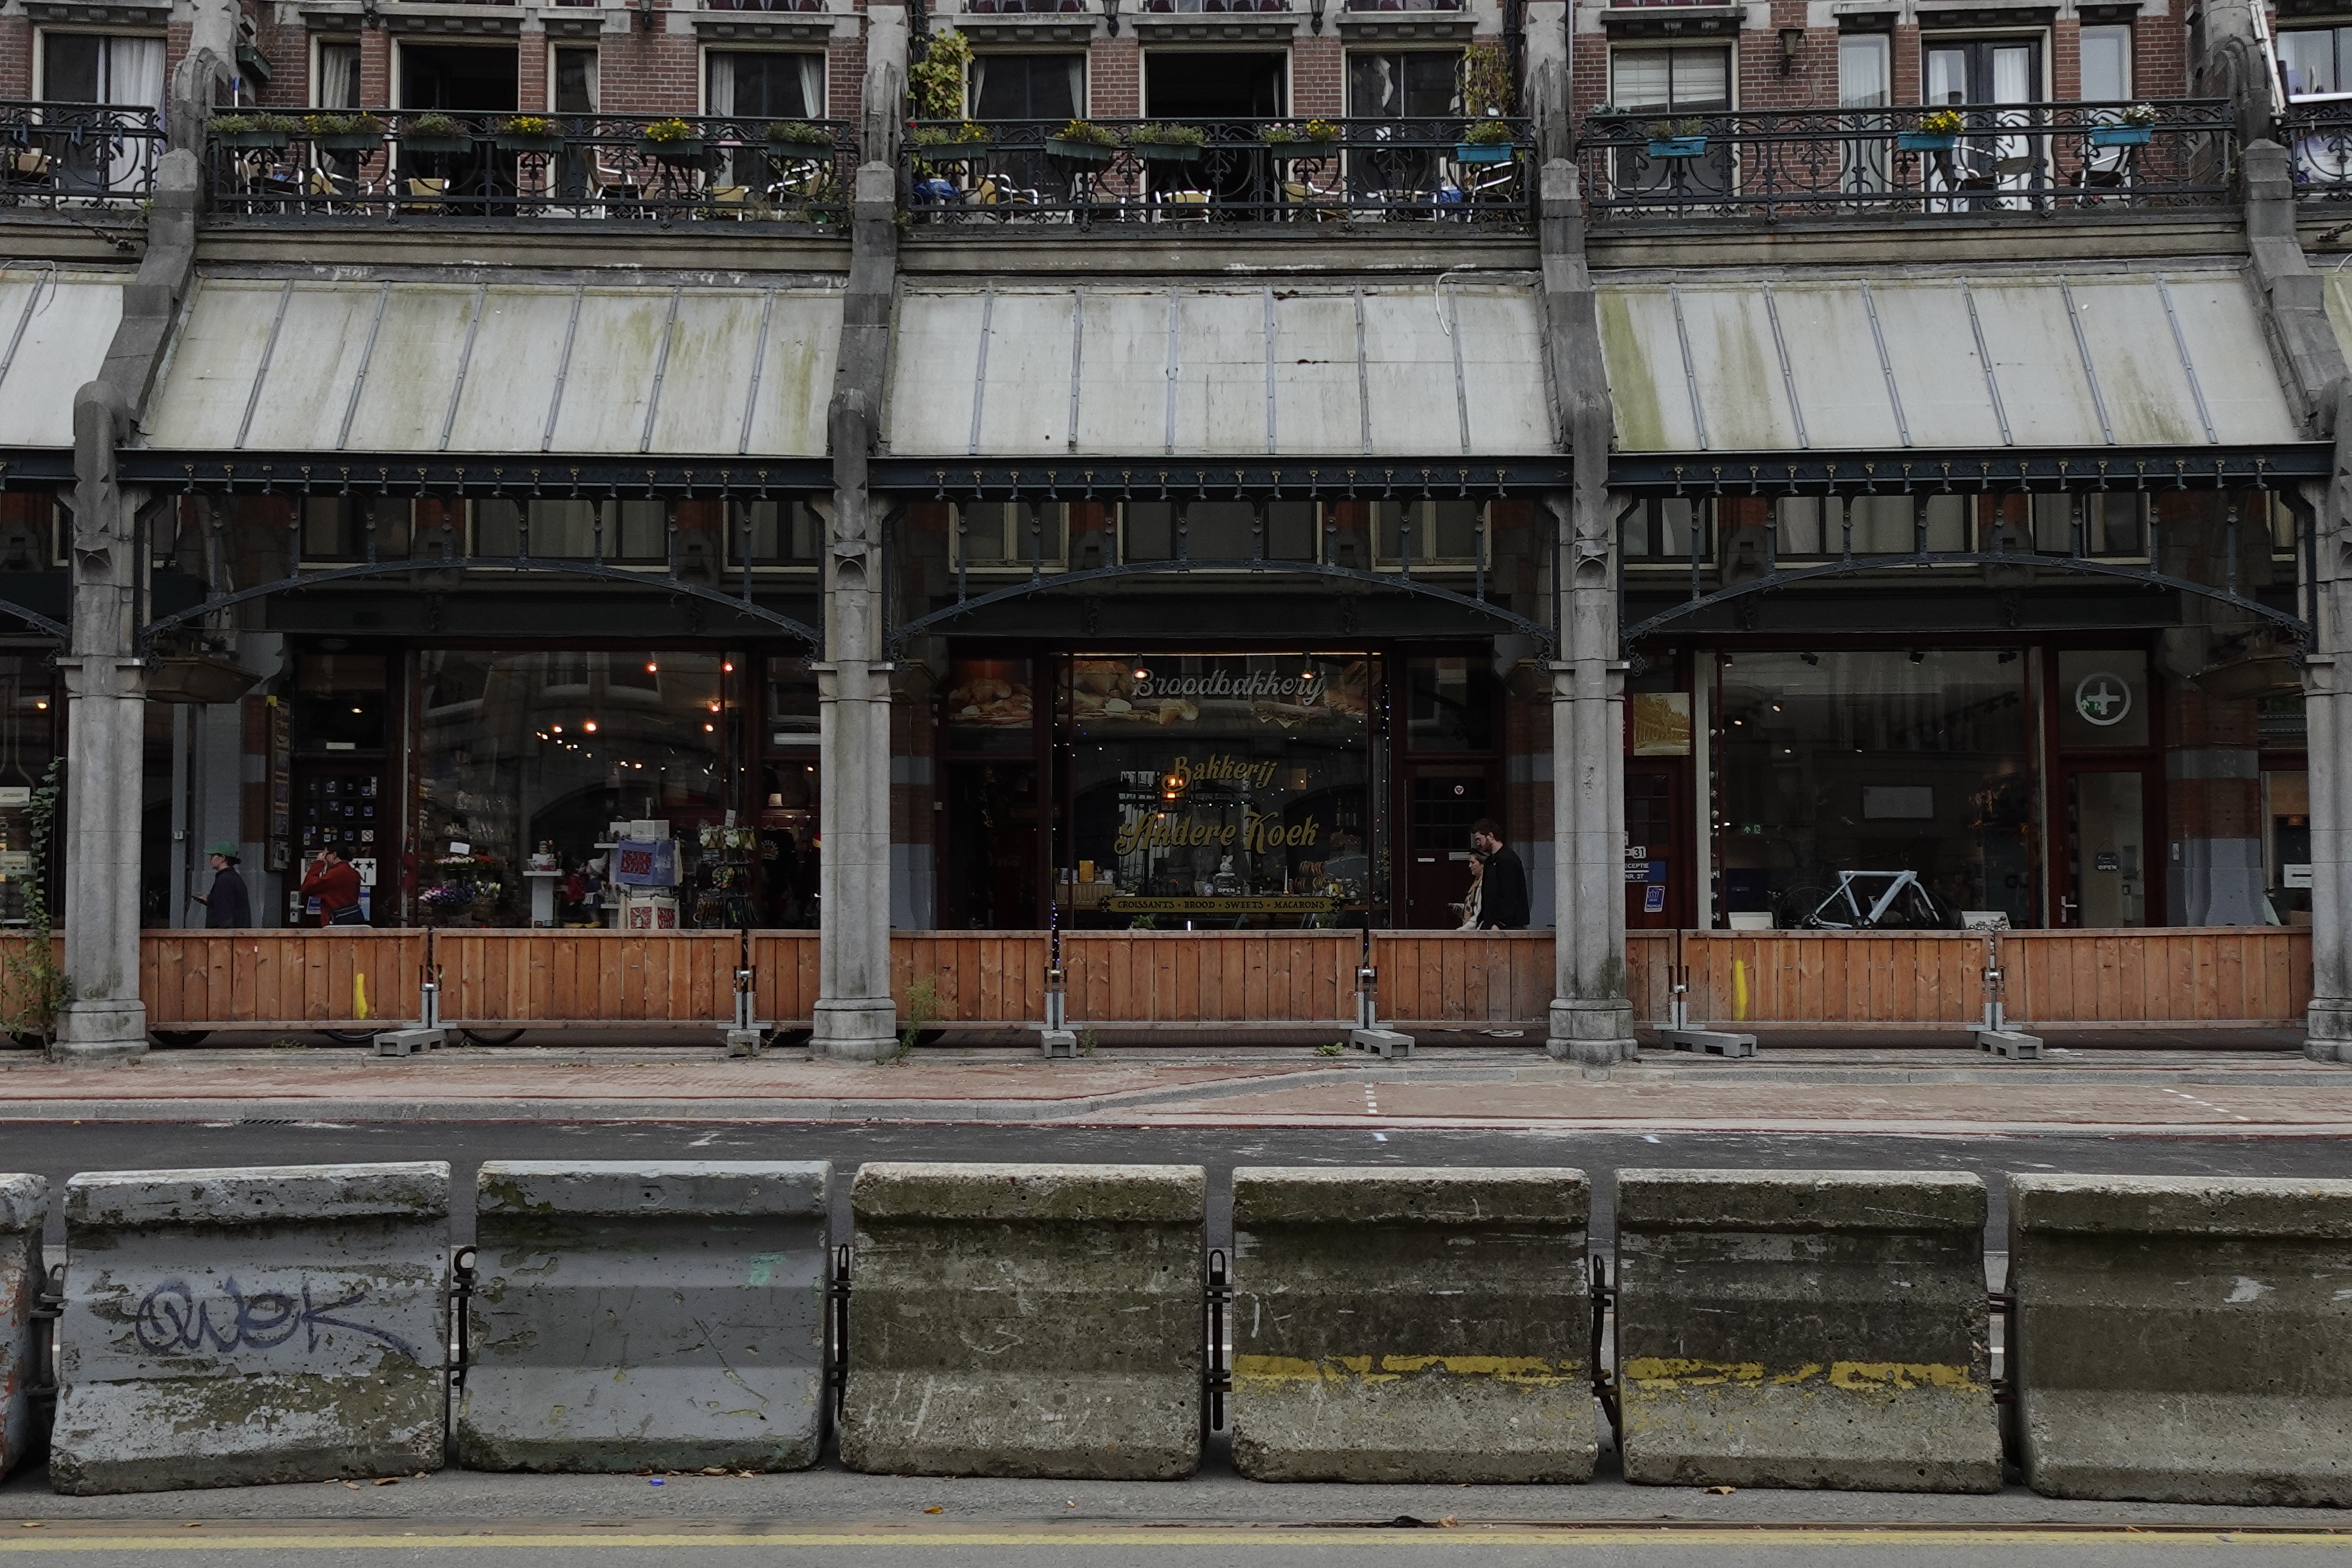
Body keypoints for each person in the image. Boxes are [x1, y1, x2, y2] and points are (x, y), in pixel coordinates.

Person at [1470, 818, 1528, 930]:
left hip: (1506, 927)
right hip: (1492, 924)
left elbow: (1510, 895)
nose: (1478, 844)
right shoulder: (1491, 861)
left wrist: (1500, 923)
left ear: (1491, 836)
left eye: (1479, 839)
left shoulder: (1507, 860)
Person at [301, 845, 367, 926]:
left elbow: (307, 888)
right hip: (350, 920)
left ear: (334, 855)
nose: (325, 858)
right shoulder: (353, 873)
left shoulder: (335, 874)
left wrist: (319, 863)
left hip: (336, 924)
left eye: (326, 855)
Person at [190, 843, 251, 929]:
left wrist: (223, 935)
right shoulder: (232, 877)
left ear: (223, 858)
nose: (210, 859)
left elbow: (226, 912)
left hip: (226, 935)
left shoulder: (225, 880)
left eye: (213, 856)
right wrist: (210, 900)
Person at [1455, 851, 1485, 931]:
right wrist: (1462, 909)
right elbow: (1473, 907)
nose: (1470, 866)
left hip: (1476, 930)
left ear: (1482, 864)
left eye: (1473, 863)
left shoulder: (1483, 884)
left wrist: (1461, 931)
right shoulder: (1476, 882)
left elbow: (1479, 913)